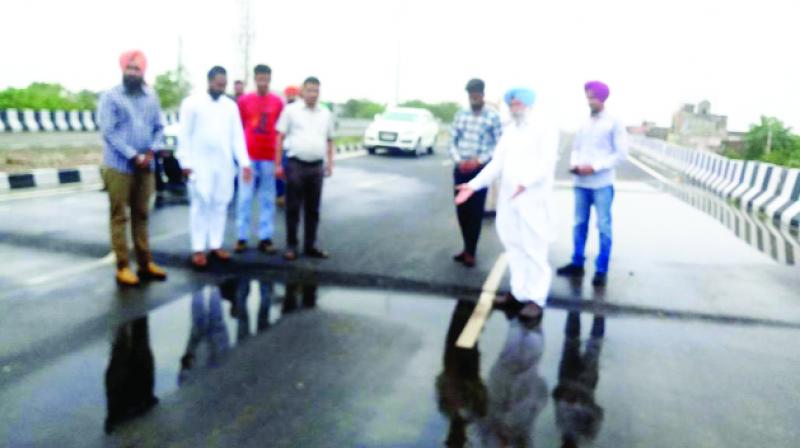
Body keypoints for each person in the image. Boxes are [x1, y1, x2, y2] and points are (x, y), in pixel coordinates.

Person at [455, 88, 558, 322]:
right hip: (510, 200)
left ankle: (536, 299)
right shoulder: (510, 131)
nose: (514, 107)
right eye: (511, 104)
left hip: (533, 200)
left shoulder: (544, 128)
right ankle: (519, 293)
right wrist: (473, 186)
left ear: (530, 105)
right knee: (514, 248)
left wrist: (526, 182)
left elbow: (547, 162)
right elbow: (496, 164)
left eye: (518, 103)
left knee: (534, 251)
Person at [97, 49, 168, 286]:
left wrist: (152, 150)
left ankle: (145, 263)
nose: (132, 72)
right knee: (119, 216)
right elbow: (108, 131)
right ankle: (123, 266)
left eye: (137, 68)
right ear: (122, 70)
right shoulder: (111, 97)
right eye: (129, 68)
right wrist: (132, 154)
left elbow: (159, 126)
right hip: (119, 165)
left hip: (145, 165)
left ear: (143, 71)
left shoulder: (151, 97)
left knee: (142, 214)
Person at [176, 66, 252, 269]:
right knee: (201, 205)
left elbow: (237, 136)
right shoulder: (192, 104)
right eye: (218, 84)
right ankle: (198, 249)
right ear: (209, 81)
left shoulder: (230, 106)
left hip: (224, 164)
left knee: (220, 204)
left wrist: (244, 162)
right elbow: (184, 135)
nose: (221, 87)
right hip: (199, 165)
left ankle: (215, 245)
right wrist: (185, 162)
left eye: (224, 84)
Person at [556, 81, 628, 287]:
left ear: (603, 98)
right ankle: (577, 262)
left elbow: (621, 154)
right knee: (579, 223)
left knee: (603, 226)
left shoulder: (614, 122)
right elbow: (576, 148)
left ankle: (601, 269)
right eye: (588, 97)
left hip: (602, 183)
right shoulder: (584, 122)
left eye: (593, 97)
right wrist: (575, 165)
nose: (590, 101)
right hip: (581, 182)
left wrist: (595, 167)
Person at [275, 77, 334, 261]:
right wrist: (278, 164)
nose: (313, 94)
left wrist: (330, 163)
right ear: (302, 91)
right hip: (296, 165)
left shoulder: (325, 113)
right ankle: (291, 246)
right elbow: (280, 137)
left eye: (316, 91)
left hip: (316, 166)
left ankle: (310, 245)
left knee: (313, 209)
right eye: (309, 90)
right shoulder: (291, 111)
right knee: (293, 207)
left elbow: (330, 139)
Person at [450, 78, 503, 267]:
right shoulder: (460, 115)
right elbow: (452, 141)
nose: (473, 98)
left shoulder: (493, 117)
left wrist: (478, 161)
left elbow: (499, 146)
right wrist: (459, 161)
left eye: (476, 94)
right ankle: (466, 247)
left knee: (475, 212)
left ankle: (471, 251)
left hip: (480, 172)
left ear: (482, 94)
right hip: (460, 169)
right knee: (462, 211)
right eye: (470, 95)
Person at [235, 64, 284, 254]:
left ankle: (265, 237)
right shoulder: (244, 101)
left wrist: (279, 159)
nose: (263, 82)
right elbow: (238, 128)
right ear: (255, 79)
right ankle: (242, 236)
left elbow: (280, 130)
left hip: (269, 157)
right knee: (245, 197)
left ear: (270, 79)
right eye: (260, 78)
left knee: (267, 198)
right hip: (249, 157)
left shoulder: (277, 102)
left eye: (266, 79)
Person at [275, 85, 302, 207]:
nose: (291, 96)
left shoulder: (301, 110)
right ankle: (281, 195)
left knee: (295, 175)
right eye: (289, 94)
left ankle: (295, 196)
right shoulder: (282, 109)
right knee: (280, 172)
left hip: (296, 147)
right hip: (284, 147)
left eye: (293, 94)